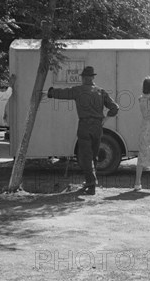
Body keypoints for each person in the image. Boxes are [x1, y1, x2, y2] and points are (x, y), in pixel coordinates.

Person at [47, 66, 119, 195]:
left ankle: (91, 182)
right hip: (97, 127)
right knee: (94, 156)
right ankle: (91, 183)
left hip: (85, 126)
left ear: (84, 78)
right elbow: (115, 108)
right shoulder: (101, 91)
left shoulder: (78, 90)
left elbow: (63, 93)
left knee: (86, 157)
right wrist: (104, 120)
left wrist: (51, 92)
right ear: (93, 77)